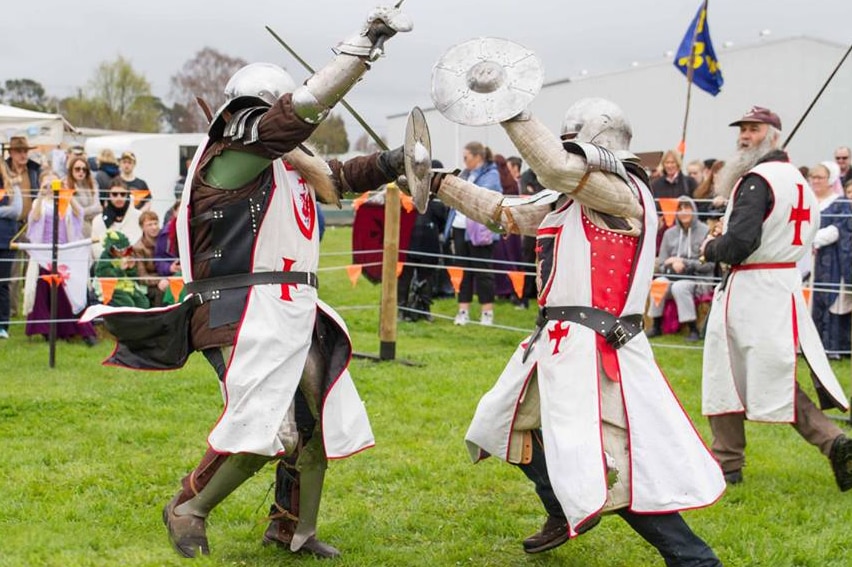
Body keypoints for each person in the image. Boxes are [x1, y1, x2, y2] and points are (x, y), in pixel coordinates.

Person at [80, 7, 412, 560]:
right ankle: (188, 506)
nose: (271, 123)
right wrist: (360, 50)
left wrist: (396, 161)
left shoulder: (285, 166)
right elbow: (294, 118)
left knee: (315, 423)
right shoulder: (230, 158)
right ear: (243, 116)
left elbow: (339, 179)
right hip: (239, 310)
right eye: (263, 114)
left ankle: (292, 530)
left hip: (292, 310)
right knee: (271, 430)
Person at [433, 97, 725, 564]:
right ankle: (558, 509)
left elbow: (553, 167)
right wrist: (437, 182)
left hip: (599, 348)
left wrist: (507, 105)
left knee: (613, 469)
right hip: (552, 342)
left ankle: (693, 558)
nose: (566, 150)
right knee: (497, 423)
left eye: (573, 143)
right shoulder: (569, 199)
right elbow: (505, 212)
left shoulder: (624, 193)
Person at [700, 106, 852, 491]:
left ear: (773, 136)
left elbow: (739, 244)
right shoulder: (798, 181)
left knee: (727, 374)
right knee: (771, 375)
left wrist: (710, 247)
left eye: (754, 130)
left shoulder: (757, 180)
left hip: (751, 289)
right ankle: (832, 442)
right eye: (743, 130)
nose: (744, 136)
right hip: (781, 286)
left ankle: (727, 462)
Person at [25, 180, 97, 344]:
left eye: (53, 185)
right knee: (43, 290)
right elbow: (34, 219)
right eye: (47, 186)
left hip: (65, 252)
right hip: (44, 254)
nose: (51, 189)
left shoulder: (66, 203)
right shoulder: (39, 203)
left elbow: (80, 213)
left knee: (70, 291)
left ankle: (83, 331)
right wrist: (41, 196)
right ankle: (45, 329)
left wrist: (67, 193)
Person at [446, 141, 501, 326]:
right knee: (463, 271)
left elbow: (481, 197)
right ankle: (463, 310)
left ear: (478, 157)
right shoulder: (465, 174)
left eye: (466, 157)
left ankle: (487, 312)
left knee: (482, 271)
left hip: (479, 231)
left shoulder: (491, 175)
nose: (464, 161)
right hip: (460, 228)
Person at [645, 196, 714, 341]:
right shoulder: (669, 234)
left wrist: (684, 262)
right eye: (680, 209)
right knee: (658, 283)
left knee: (680, 287)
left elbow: (709, 264)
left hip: (697, 278)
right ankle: (656, 326)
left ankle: (693, 329)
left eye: (687, 208)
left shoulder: (705, 231)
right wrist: (671, 265)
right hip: (673, 277)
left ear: (694, 210)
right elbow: (662, 263)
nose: (683, 212)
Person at [807, 163, 852, 359]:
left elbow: (838, 230)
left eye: (820, 177)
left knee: (831, 301)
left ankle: (832, 347)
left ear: (831, 179)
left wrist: (810, 239)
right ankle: (808, 347)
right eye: (813, 177)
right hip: (807, 260)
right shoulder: (808, 201)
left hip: (831, 259)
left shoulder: (840, 203)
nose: (815, 181)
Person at [397, 159, 448, 322]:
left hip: (427, 242)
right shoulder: (410, 192)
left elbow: (442, 219)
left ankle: (423, 309)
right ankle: (403, 309)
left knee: (426, 277)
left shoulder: (438, 199)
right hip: (412, 241)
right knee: (406, 277)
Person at [94, 230, 150, 308]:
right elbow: (104, 274)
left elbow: (133, 277)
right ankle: (126, 319)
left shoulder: (127, 255)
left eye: (125, 249)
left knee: (143, 302)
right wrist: (120, 269)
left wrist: (131, 268)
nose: (123, 252)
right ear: (111, 248)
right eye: (120, 249)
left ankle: (140, 319)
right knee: (128, 303)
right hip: (111, 288)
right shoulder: (105, 259)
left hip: (127, 286)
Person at [90, 180, 142, 261]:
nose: (119, 198)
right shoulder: (98, 221)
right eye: (114, 194)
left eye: (123, 194)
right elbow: (96, 251)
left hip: (135, 265)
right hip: (108, 268)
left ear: (128, 195)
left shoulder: (139, 217)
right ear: (108, 196)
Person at [0, 163, 22, 339]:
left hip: (5, 241)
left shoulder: (13, 186)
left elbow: (16, 211)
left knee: (3, 283)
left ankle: (3, 325)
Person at [132, 210, 169, 307]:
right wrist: (160, 280)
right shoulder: (138, 248)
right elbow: (142, 276)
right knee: (160, 292)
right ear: (142, 227)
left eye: (156, 223)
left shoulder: (165, 240)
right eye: (149, 225)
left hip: (168, 277)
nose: (154, 227)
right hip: (150, 284)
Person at [64, 155, 102, 238]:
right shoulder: (66, 186)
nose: (81, 171)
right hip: (75, 229)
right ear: (71, 170)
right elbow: (75, 212)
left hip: (94, 226)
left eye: (84, 169)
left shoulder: (93, 184)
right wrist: (89, 211)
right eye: (77, 169)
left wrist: (83, 212)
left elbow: (98, 208)